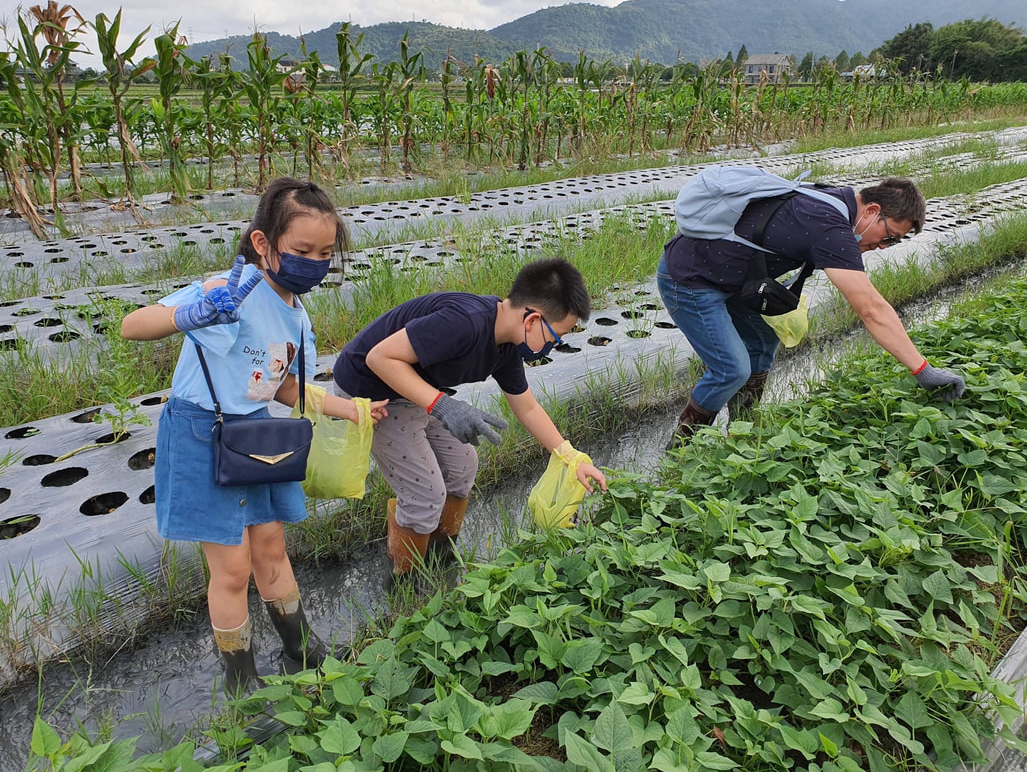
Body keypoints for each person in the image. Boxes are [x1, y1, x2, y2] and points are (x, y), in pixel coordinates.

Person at [121, 177, 387, 692]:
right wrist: (187, 314)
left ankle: (301, 651)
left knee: (271, 549)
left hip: (258, 436)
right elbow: (134, 325)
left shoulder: (296, 311)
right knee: (233, 567)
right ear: (263, 244)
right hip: (203, 432)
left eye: (326, 252)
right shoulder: (230, 291)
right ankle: (241, 683)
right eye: (302, 250)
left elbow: (281, 387)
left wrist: (348, 410)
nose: (315, 261)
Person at [332, 257, 608, 577]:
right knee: (426, 493)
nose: (552, 347)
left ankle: (440, 551)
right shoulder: (464, 323)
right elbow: (379, 357)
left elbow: (528, 407)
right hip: (370, 392)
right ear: (532, 320)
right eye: (554, 338)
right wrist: (444, 406)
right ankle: (407, 581)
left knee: (463, 464)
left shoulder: (506, 346)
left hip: (412, 391)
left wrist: (571, 457)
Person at [657, 174, 966, 447]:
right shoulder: (828, 225)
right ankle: (681, 450)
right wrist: (922, 370)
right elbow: (872, 309)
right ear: (872, 211)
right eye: (888, 237)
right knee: (731, 369)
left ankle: (742, 435)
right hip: (689, 279)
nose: (884, 246)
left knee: (763, 342)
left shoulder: (834, 201)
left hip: (729, 278)